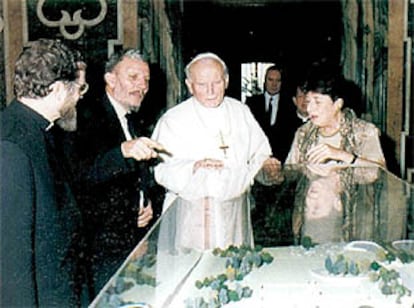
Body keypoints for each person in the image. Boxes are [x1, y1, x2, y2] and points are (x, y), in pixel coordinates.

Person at [151, 52, 281, 251]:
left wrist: (267, 166)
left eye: (217, 82)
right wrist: (193, 167)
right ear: (189, 85)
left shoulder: (240, 112)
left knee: (235, 272)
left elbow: (259, 154)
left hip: (234, 214)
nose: (211, 91)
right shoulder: (173, 120)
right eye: (202, 84)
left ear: (226, 81)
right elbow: (160, 170)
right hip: (193, 217)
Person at [69, 49, 166, 297]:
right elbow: (80, 177)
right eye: (133, 77)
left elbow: (140, 178)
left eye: (145, 80)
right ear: (110, 79)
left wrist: (148, 205)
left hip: (132, 241)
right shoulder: (85, 116)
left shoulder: (133, 119)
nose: (142, 86)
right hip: (102, 250)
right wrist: (123, 150)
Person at [0, 38, 86, 307]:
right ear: (59, 89)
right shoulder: (11, 145)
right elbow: (11, 262)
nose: (80, 96)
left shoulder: (37, 130)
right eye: (78, 88)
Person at [285, 66, 386, 167]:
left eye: (317, 102)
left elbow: (380, 173)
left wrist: (341, 155)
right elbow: (291, 172)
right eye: (308, 102)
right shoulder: (304, 133)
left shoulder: (363, 132)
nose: (309, 109)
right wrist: (276, 174)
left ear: (338, 104)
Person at [245, 64, 295, 162]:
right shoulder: (252, 103)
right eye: (270, 80)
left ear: (282, 83)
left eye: (278, 80)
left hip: (282, 160)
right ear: (264, 81)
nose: (274, 84)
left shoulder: (290, 104)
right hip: (257, 159)